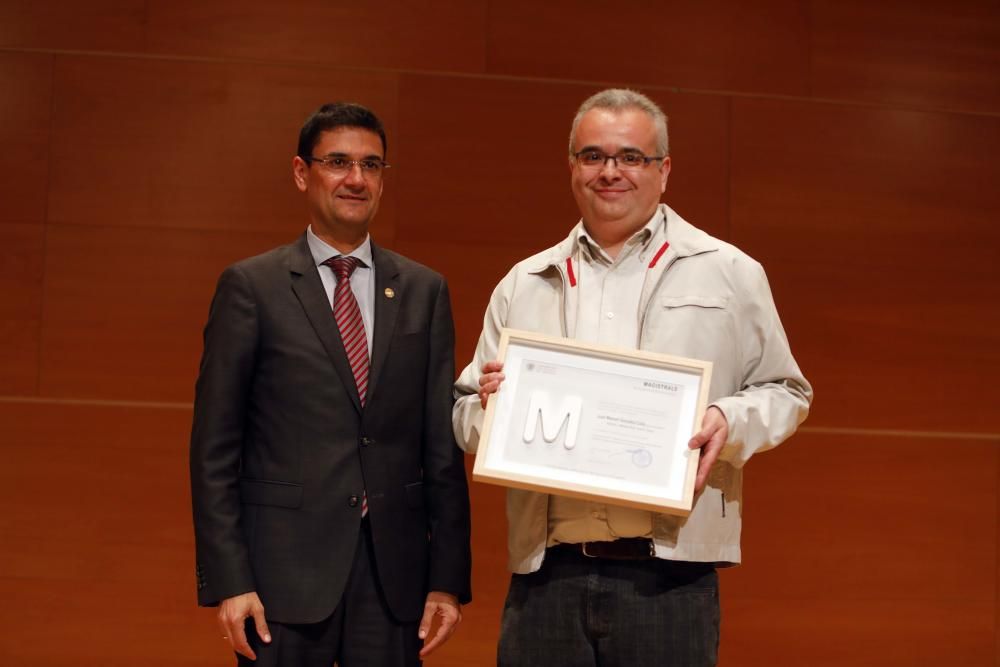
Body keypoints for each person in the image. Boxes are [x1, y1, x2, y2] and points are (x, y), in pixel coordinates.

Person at [453, 89, 812, 667]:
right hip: (548, 578)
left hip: (670, 579)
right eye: (592, 156)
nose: (610, 171)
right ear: (572, 167)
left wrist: (728, 418)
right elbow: (466, 407)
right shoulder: (525, 282)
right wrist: (493, 411)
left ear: (663, 170)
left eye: (631, 157)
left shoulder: (730, 273)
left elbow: (787, 392)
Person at [190, 102, 471, 667]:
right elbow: (214, 448)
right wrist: (230, 579)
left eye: (372, 165)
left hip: (393, 581)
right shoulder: (252, 286)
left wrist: (447, 578)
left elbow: (440, 450)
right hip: (279, 581)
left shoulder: (423, 290)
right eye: (338, 162)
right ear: (302, 173)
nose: (356, 179)